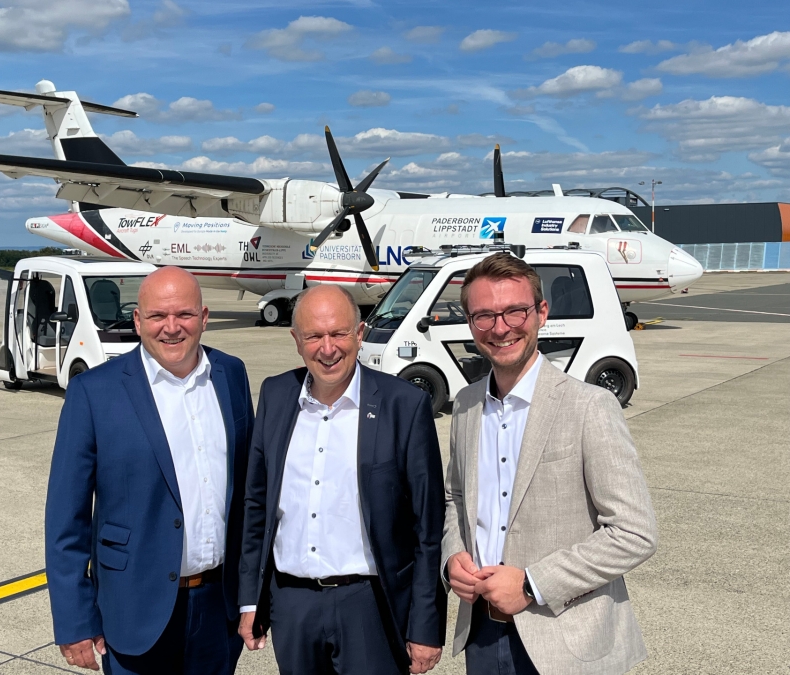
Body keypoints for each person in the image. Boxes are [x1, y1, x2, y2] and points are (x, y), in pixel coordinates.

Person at [442, 253, 658, 674]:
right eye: (484, 315)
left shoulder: (589, 406)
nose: (500, 328)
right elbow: (455, 497)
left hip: (566, 639)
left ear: (541, 312)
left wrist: (530, 583)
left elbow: (634, 532)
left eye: (514, 311)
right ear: (470, 323)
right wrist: (453, 556)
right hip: (482, 634)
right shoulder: (467, 404)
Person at [45, 267, 254, 674]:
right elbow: (65, 520)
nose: (171, 328)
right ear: (138, 321)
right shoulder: (95, 392)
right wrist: (73, 621)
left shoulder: (231, 374)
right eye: (158, 316)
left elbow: (247, 492)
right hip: (135, 609)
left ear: (204, 317)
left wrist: (251, 596)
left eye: (185, 315)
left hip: (217, 609)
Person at [238, 285, 446, 675]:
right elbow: (257, 505)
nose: (328, 348)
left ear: (360, 333)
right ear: (296, 340)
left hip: (368, 605)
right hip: (292, 605)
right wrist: (250, 600)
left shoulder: (403, 405)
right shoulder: (276, 394)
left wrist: (425, 624)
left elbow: (427, 527)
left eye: (339, 334)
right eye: (315, 336)